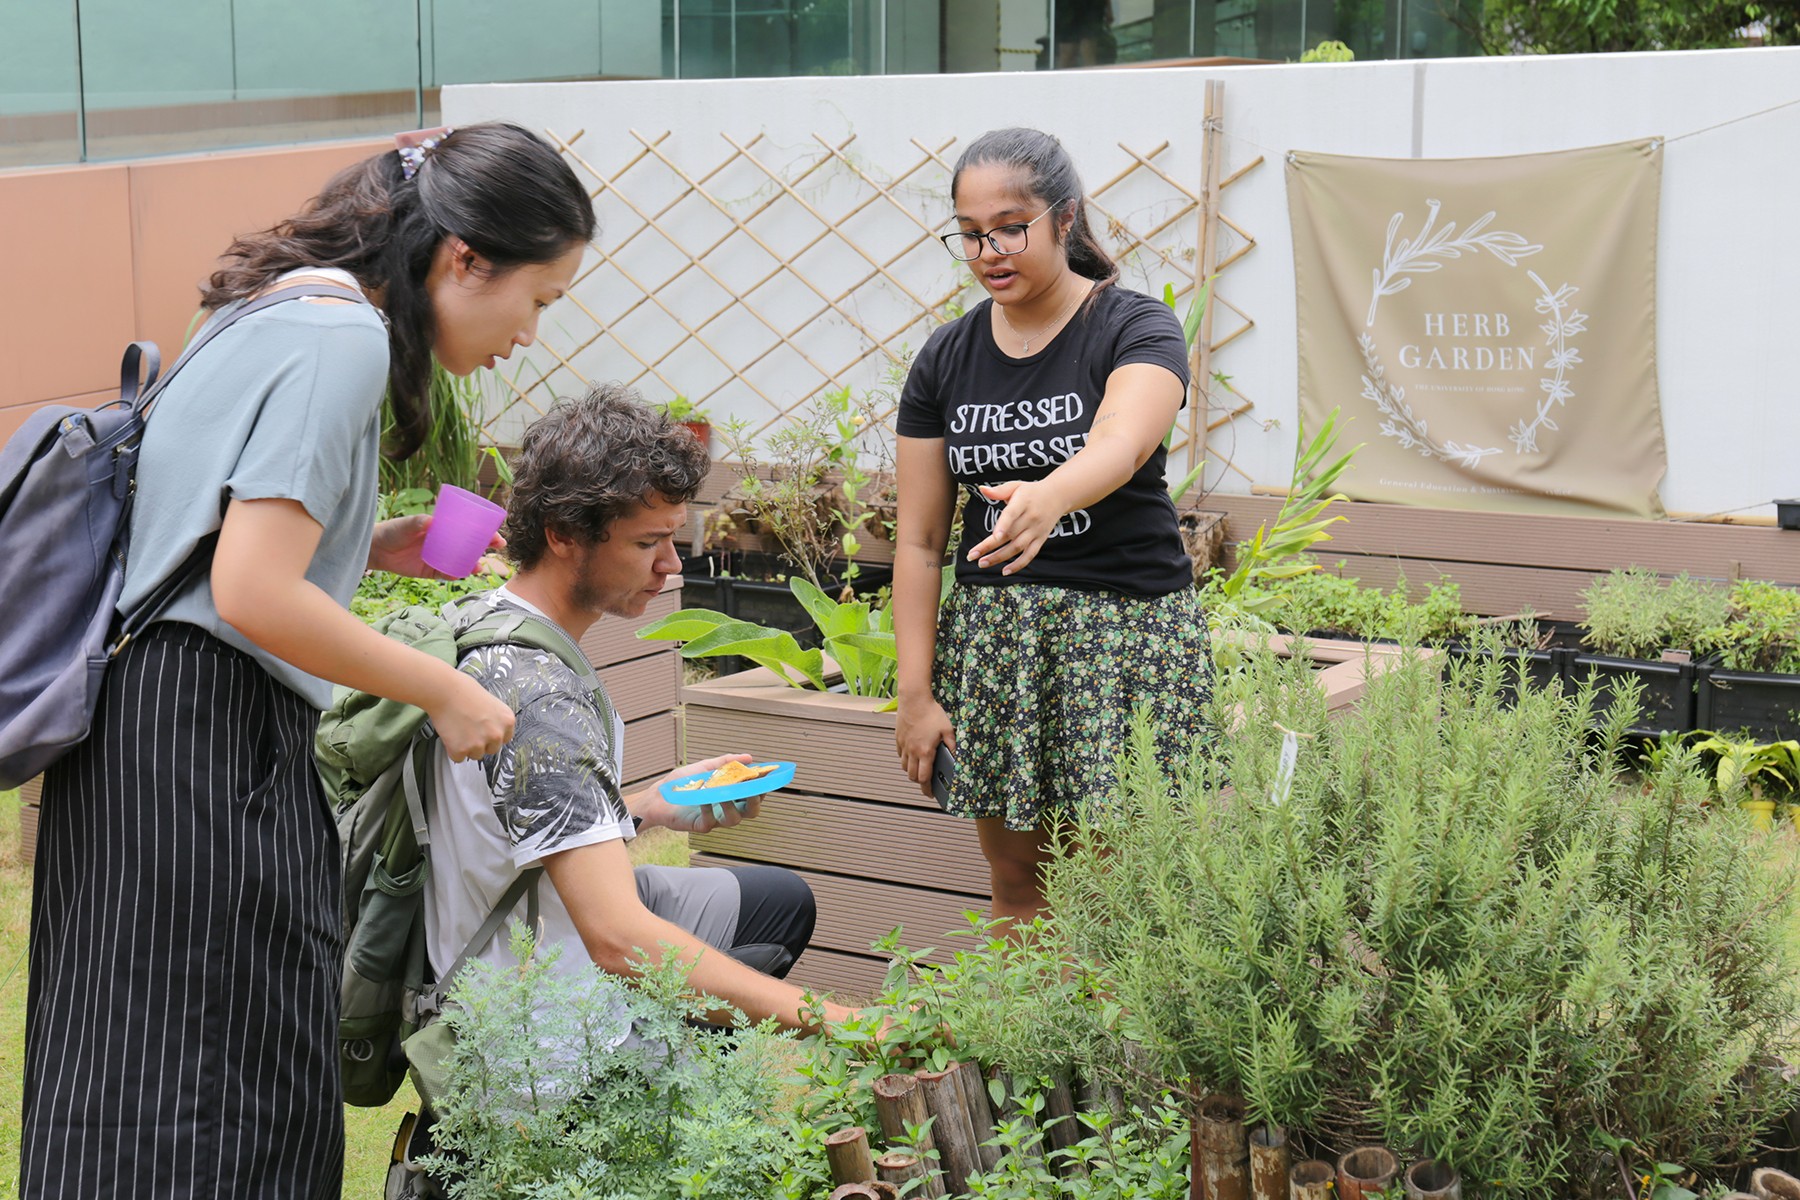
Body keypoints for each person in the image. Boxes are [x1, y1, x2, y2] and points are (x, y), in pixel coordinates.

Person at [22, 122, 595, 1200]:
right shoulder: (346, 339)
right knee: (224, 1075)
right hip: (207, 740)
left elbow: (205, 542)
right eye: (540, 298)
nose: (531, 332)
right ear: (464, 255)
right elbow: (248, 592)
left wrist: (360, 546)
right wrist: (444, 685)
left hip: (143, 732)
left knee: (126, 1055)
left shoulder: (277, 302)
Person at [423, 383, 850, 1032]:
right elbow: (619, 942)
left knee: (774, 902)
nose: (671, 566)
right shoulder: (542, 699)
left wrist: (649, 806)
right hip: (540, 1036)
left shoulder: (485, 623)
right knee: (733, 973)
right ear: (565, 534)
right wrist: (848, 1023)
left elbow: (513, 823)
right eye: (649, 543)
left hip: (496, 933)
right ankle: (648, 1099)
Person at [891, 126, 1213, 925]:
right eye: (969, 235)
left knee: (1111, 894)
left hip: (1122, 639)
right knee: (1016, 886)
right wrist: (914, 694)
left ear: (1064, 219)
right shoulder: (944, 358)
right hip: (1000, 647)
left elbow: (1122, 439)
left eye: (1010, 227)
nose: (989, 250)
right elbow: (921, 541)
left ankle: (1110, 1055)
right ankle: (1019, 1050)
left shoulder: (1135, 327)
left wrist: (1051, 494)